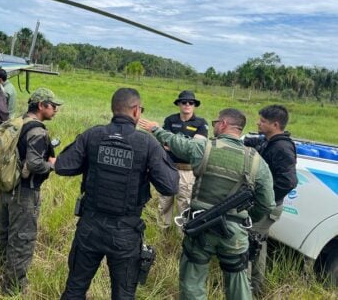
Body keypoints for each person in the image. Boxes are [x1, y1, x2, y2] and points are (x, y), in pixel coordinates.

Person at [55, 88, 179, 299]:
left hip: (89, 229)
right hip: (125, 233)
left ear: (114, 109)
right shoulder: (147, 143)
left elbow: (62, 166)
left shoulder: (92, 135)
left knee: (75, 289)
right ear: (136, 111)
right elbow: (170, 186)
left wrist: (89, 159)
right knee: (123, 295)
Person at [139, 108, 275, 300]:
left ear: (224, 124)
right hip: (235, 233)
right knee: (238, 282)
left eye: (215, 123)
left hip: (201, 228)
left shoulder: (205, 148)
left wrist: (156, 130)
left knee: (192, 282)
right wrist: (246, 219)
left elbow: (178, 144)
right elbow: (267, 204)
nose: (214, 127)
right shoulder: (257, 162)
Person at [0, 87, 63, 294]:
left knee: (4, 232)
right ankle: (12, 287)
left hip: (7, 187)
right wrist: (52, 164)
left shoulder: (18, 123)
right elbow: (34, 164)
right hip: (25, 193)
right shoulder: (38, 132)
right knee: (22, 239)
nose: (56, 110)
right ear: (41, 106)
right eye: (53, 106)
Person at [244, 105, 297, 297]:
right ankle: (256, 290)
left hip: (266, 207)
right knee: (258, 245)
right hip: (265, 206)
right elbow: (254, 144)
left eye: (263, 121)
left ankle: (246, 290)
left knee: (248, 246)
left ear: (275, 124)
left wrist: (264, 199)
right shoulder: (270, 142)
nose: (258, 123)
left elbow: (289, 181)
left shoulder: (282, 148)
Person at [159, 90, 208, 231]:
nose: (187, 105)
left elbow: (196, 148)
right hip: (168, 167)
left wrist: (175, 144)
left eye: (190, 102)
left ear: (194, 105)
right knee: (164, 202)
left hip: (187, 170)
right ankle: (163, 234)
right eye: (184, 102)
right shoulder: (170, 120)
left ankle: (182, 236)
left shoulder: (201, 123)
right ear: (179, 104)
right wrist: (185, 145)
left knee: (184, 205)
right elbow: (165, 142)